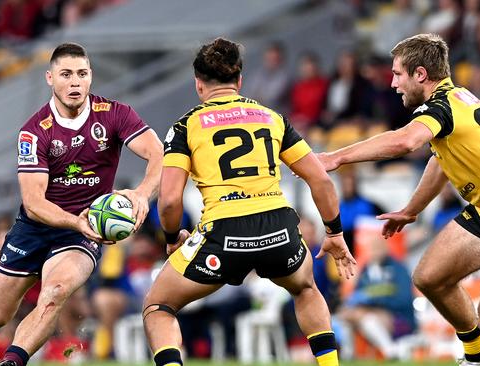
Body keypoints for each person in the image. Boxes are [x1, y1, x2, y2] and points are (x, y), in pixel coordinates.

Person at [143, 37, 356, 366]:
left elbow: (170, 201)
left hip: (224, 232)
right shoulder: (272, 117)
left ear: (199, 85)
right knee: (306, 289)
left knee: (158, 306)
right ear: (240, 81)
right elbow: (321, 179)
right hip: (279, 226)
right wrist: (334, 233)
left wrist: (172, 240)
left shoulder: (186, 125)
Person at [0, 42, 163, 366]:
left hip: (80, 236)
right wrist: (75, 220)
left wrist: (140, 193)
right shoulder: (34, 131)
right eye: (66, 74)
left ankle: (12, 363)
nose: (74, 82)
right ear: (50, 78)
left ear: (91, 77)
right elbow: (34, 202)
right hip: (35, 229)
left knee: (54, 294)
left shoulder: (115, 114)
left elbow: (158, 153)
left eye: (82, 74)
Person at [318, 33, 480, 365]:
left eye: (397, 74)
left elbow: (405, 142)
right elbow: (440, 162)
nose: (393, 84)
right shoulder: (458, 98)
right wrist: (411, 210)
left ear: (420, 74)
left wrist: (337, 157)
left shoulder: (441, 106)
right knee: (430, 276)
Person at [336, 236, 415, 360]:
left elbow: (404, 299)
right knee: (345, 316)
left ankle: (390, 351)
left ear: (386, 249)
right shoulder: (367, 270)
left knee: (367, 318)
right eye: (372, 249)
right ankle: (348, 355)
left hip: (400, 318)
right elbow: (358, 295)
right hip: (369, 314)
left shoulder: (398, 269)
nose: (374, 252)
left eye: (378, 248)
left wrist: (376, 303)